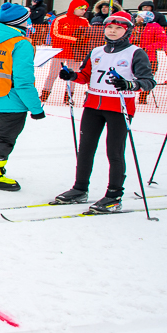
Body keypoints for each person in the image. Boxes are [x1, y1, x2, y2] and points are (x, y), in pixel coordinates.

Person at [50, 12, 157, 213]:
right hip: (93, 106)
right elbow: (85, 75)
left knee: (114, 152)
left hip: (119, 107)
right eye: (109, 28)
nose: (113, 31)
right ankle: (80, 189)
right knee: (86, 149)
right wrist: (71, 75)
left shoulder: (135, 52)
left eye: (118, 28)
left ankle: (114, 196)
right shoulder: (97, 51)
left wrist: (129, 84)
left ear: (127, 31)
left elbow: (148, 82)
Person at [0, 3, 45, 191]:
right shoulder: (20, 43)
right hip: (11, 100)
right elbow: (23, 81)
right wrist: (36, 109)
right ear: (21, 22)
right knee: (3, 137)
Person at [41, 0, 90, 103]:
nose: (83, 11)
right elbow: (54, 34)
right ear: (74, 8)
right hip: (60, 52)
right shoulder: (60, 19)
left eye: (85, 9)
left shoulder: (84, 21)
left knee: (74, 75)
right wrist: (74, 40)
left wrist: (82, 41)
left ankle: (68, 96)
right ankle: (45, 94)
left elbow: (88, 35)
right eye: (81, 9)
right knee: (52, 74)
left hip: (76, 53)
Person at [134, 13, 166, 104]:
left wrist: (148, 47)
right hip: (134, 54)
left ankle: (143, 96)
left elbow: (162, 41)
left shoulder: (155, 26)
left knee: (147, 75)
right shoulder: (136, 27)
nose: (137, 18)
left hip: (149, 56)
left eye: (139, 17)